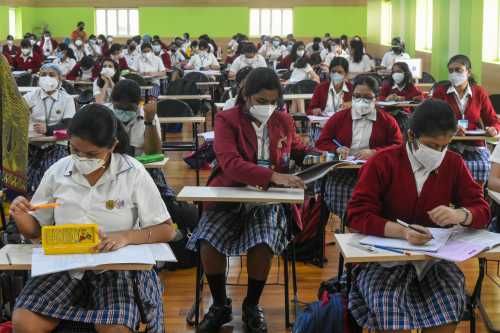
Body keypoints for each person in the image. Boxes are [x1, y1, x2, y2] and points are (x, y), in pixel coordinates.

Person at [10, 103, 175, 333]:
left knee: (115, 328)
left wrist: (126, 236)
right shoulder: (58, 171)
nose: (81, 158)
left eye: (92, 154)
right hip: (64, 267)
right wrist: (20, 214)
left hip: (116, 270)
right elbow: (35, 231)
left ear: (113, 145)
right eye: (75, 150)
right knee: (24, 321)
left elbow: (166, 229)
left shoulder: (132, 173)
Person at [346, 99, 490, 333]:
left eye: (446, 145)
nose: (440, 153)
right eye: (432, 145)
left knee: (448, 306)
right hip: (383, 262)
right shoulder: (383, 162)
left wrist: (460, 214)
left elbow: (482, 210)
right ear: (411, 136)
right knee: (390, 312)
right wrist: (402, 232)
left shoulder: (453, 163)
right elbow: (358, 215)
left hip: (434, 262)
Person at [187, 68, 307, 333]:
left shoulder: (283, 121)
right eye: (261, 101)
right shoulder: (226, 119)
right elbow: (230, 163)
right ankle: (220, 305)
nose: (268, 107)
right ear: (246, 95)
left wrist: (317, 157)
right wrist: (273, 175)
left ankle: (252, 304)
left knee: (262, 242)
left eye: (273, 102)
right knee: (208, 240)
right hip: (229, 194)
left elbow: (296, 149)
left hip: (267, 201)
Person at [315, 75, 402, 218]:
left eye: (367, 97)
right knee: (350, 205)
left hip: (375, 174)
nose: (361, 100)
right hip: (342, 173)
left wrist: (375, 152)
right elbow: (322, 142)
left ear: (376, 98)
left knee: (377, 203)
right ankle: (354, 224)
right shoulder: (339, 118)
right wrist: (336, 149)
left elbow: (398, 146)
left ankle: (367, 226)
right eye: (357, 96)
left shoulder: (387, 121)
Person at [432, 54, 500, 184]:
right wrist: (450, 129)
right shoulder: (440, 92)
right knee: (445, 167)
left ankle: (474, 197)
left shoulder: (479, 93)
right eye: (451, 71)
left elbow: (493, 120)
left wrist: (494, 130)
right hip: (447, 143)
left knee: (485, 167)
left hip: (474, 145)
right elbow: (431, 119)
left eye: (458, 70)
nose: (454, 74)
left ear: (468, 72)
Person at [23, 63, 76, 195]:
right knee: (26, 178)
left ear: (60, 79)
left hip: (56, 144)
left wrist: (48, 130)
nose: (47, 78)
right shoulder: (31, 96)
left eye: (52, 75)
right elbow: (16, 113)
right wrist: (22, 113)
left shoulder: (67, 99)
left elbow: (68, 126)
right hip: (32, 143)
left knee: (49, 174)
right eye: (43, 75)